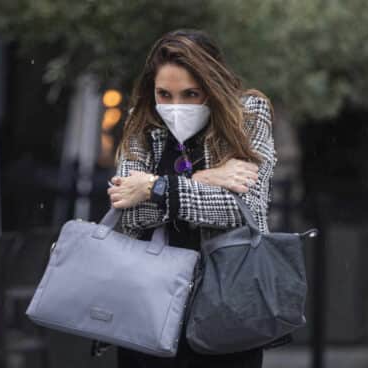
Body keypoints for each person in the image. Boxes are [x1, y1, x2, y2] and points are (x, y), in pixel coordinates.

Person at [106, 29, 277, 368]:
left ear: (212, 88)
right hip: (148, 305)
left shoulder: (249, 117)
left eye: (190, 94)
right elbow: (128, 212)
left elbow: (242, 208)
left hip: (225, 304)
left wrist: (154, 187)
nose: (175, 106)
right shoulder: (141, 122)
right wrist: (201, 178)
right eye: (164, 94)